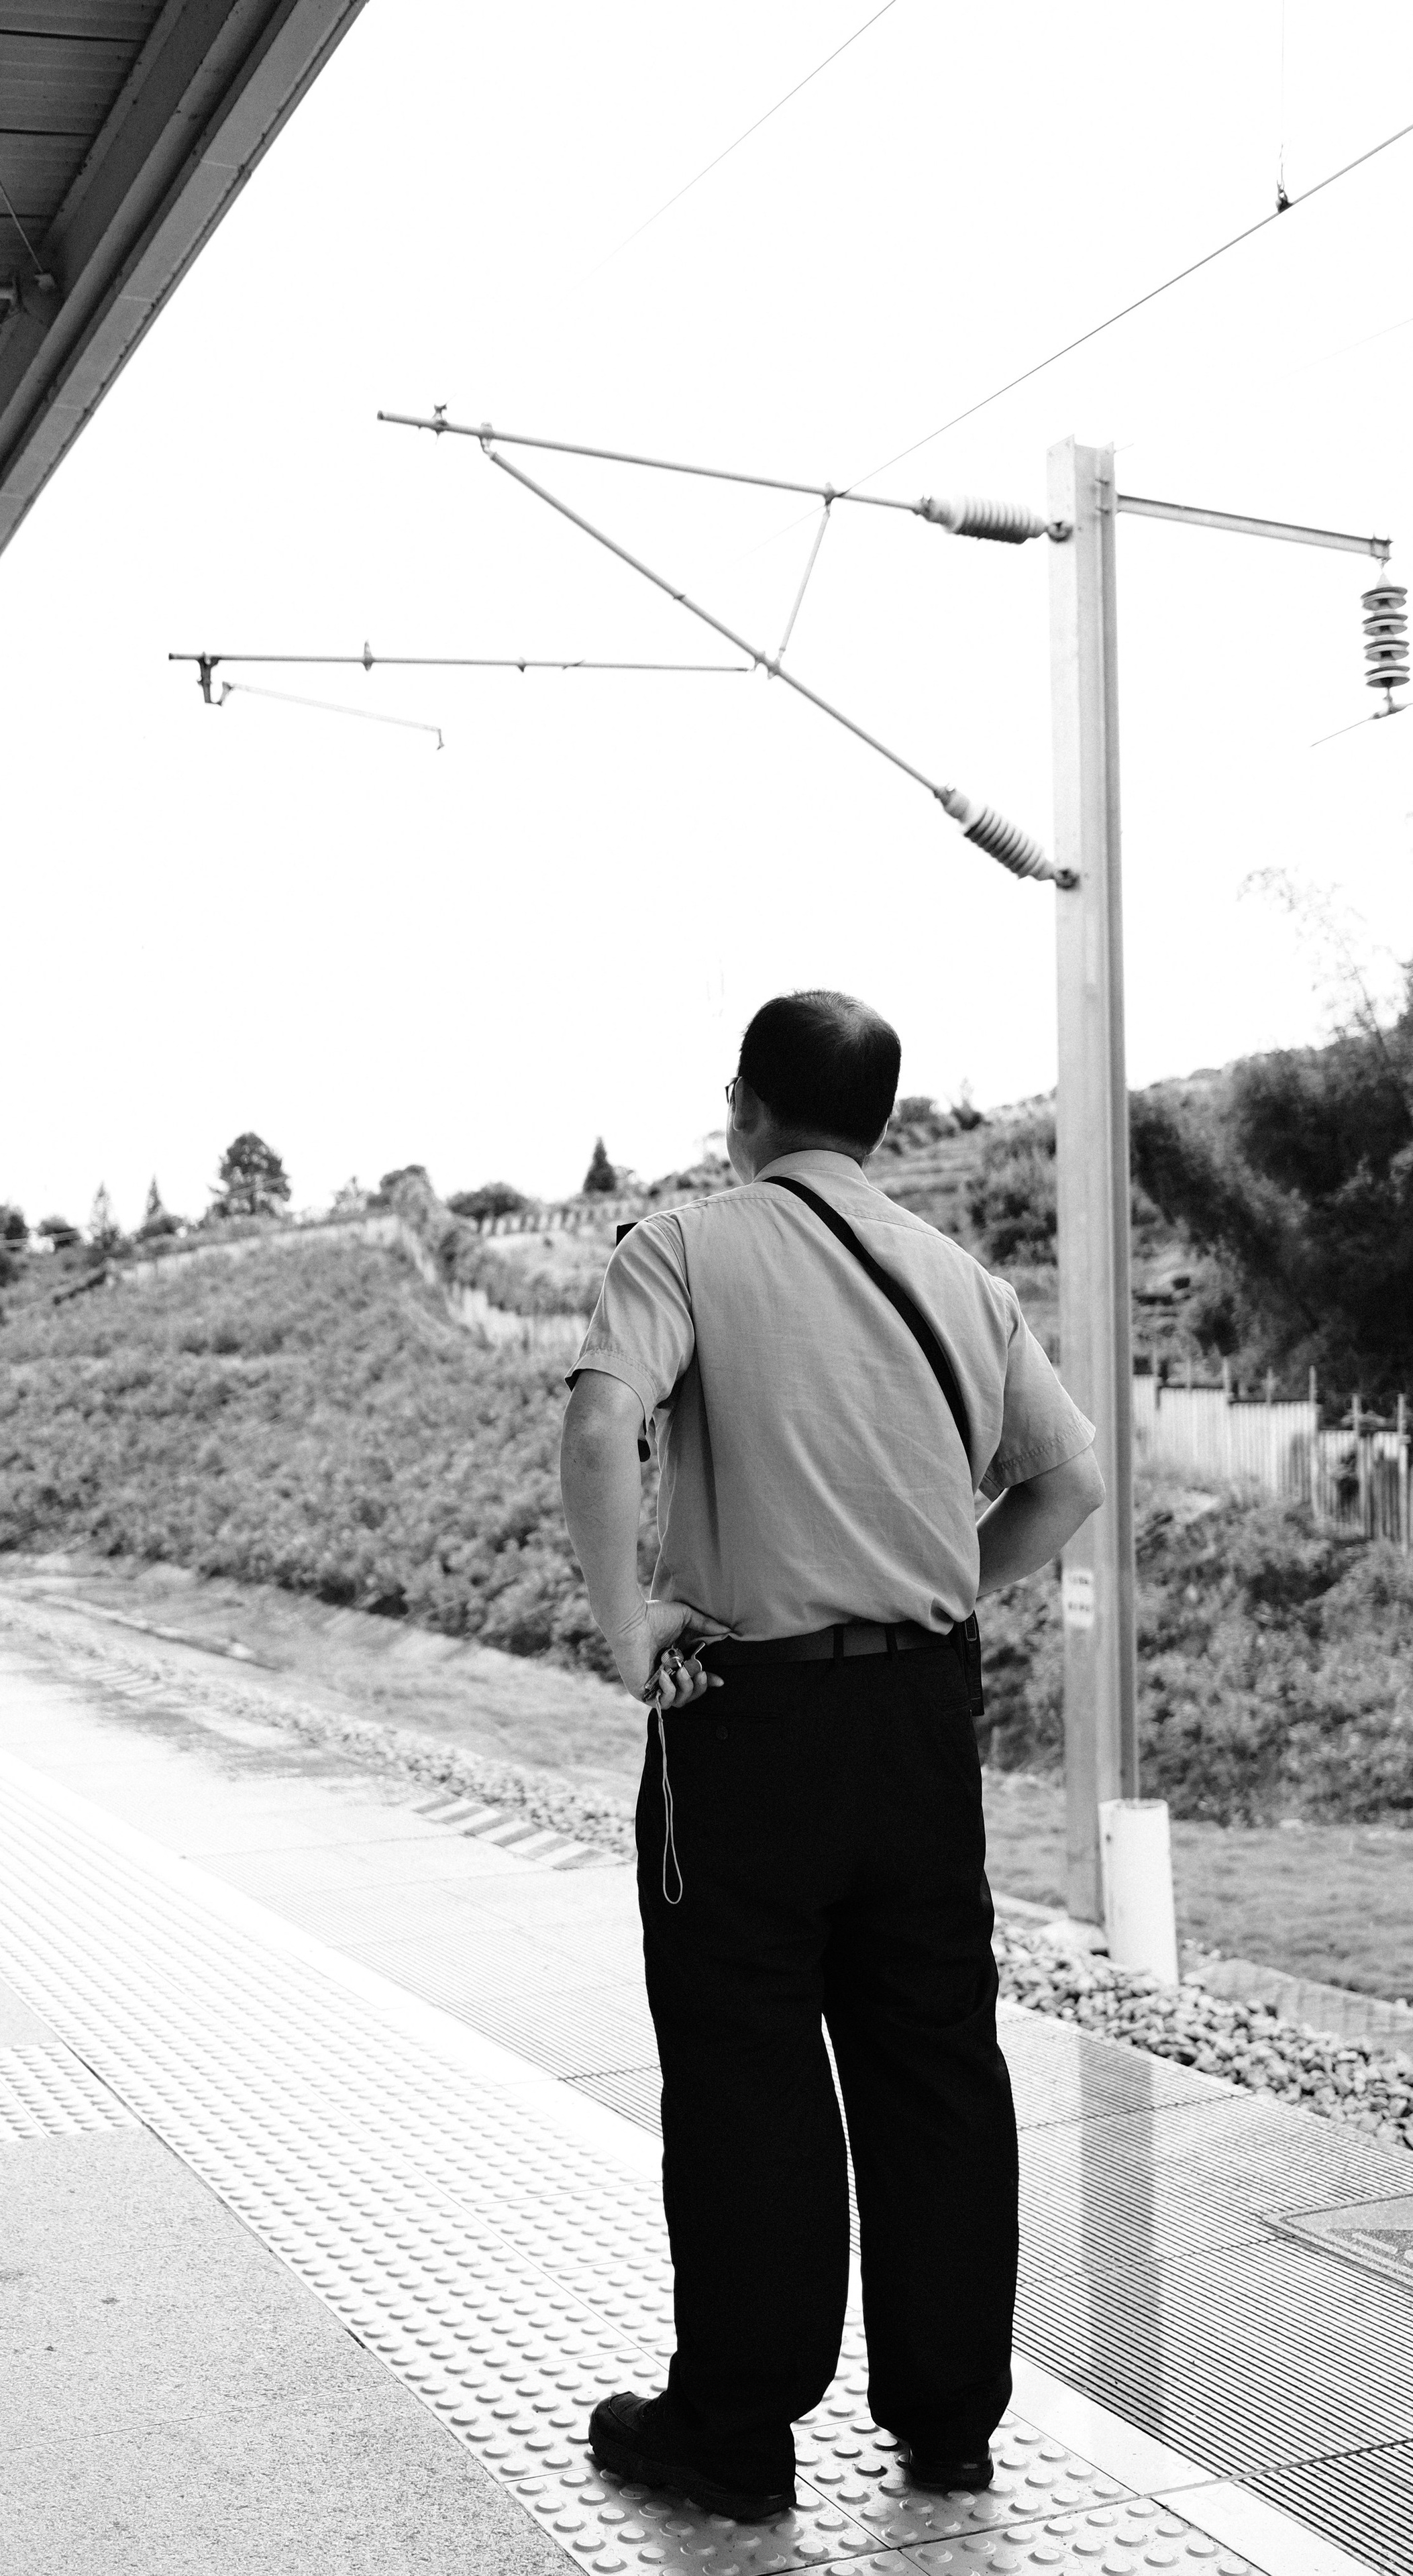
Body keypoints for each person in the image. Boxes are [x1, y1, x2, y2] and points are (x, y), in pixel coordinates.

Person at [560, 988, 1103, 2525]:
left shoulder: (684, 1244)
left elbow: (600, 1428)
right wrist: (928, 1587)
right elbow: (1066, 1483)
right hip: (919, 1720)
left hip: (746, 1717)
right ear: (876, 1121)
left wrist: (626, 1629)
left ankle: (735, 2435)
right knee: (933, 2060)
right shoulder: (959, 1279)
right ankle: (947, 2423)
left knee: (745, 2065)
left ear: (743, 1106)